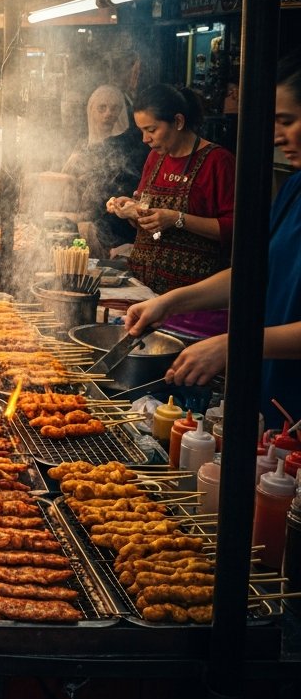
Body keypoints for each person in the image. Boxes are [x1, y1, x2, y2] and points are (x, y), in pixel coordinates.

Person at [125, 53, 301, 428]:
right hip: (274, 399)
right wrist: (169, 304)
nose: (276, 135)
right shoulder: (294, 190)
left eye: (287, 121)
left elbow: (234, 230)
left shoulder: (217, 161)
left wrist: (233, 344)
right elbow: (256, 275)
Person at [106, 84, 235, 338]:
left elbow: (236, 229)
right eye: (142, 131)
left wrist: (178, 219)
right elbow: (146, 216)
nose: (145, 139)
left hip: (192, 310)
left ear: (177, 121)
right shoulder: (155, 158)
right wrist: (130, 210)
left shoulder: (218, 161)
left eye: (151, 130)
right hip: (143, 294)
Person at [61, 84, 148, 256]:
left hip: (115, 235)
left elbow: (119, 201)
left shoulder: (131, 151)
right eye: (102, 108)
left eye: (115, 108)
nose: (108, 114)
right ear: (90, 110)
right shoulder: (81, 145)